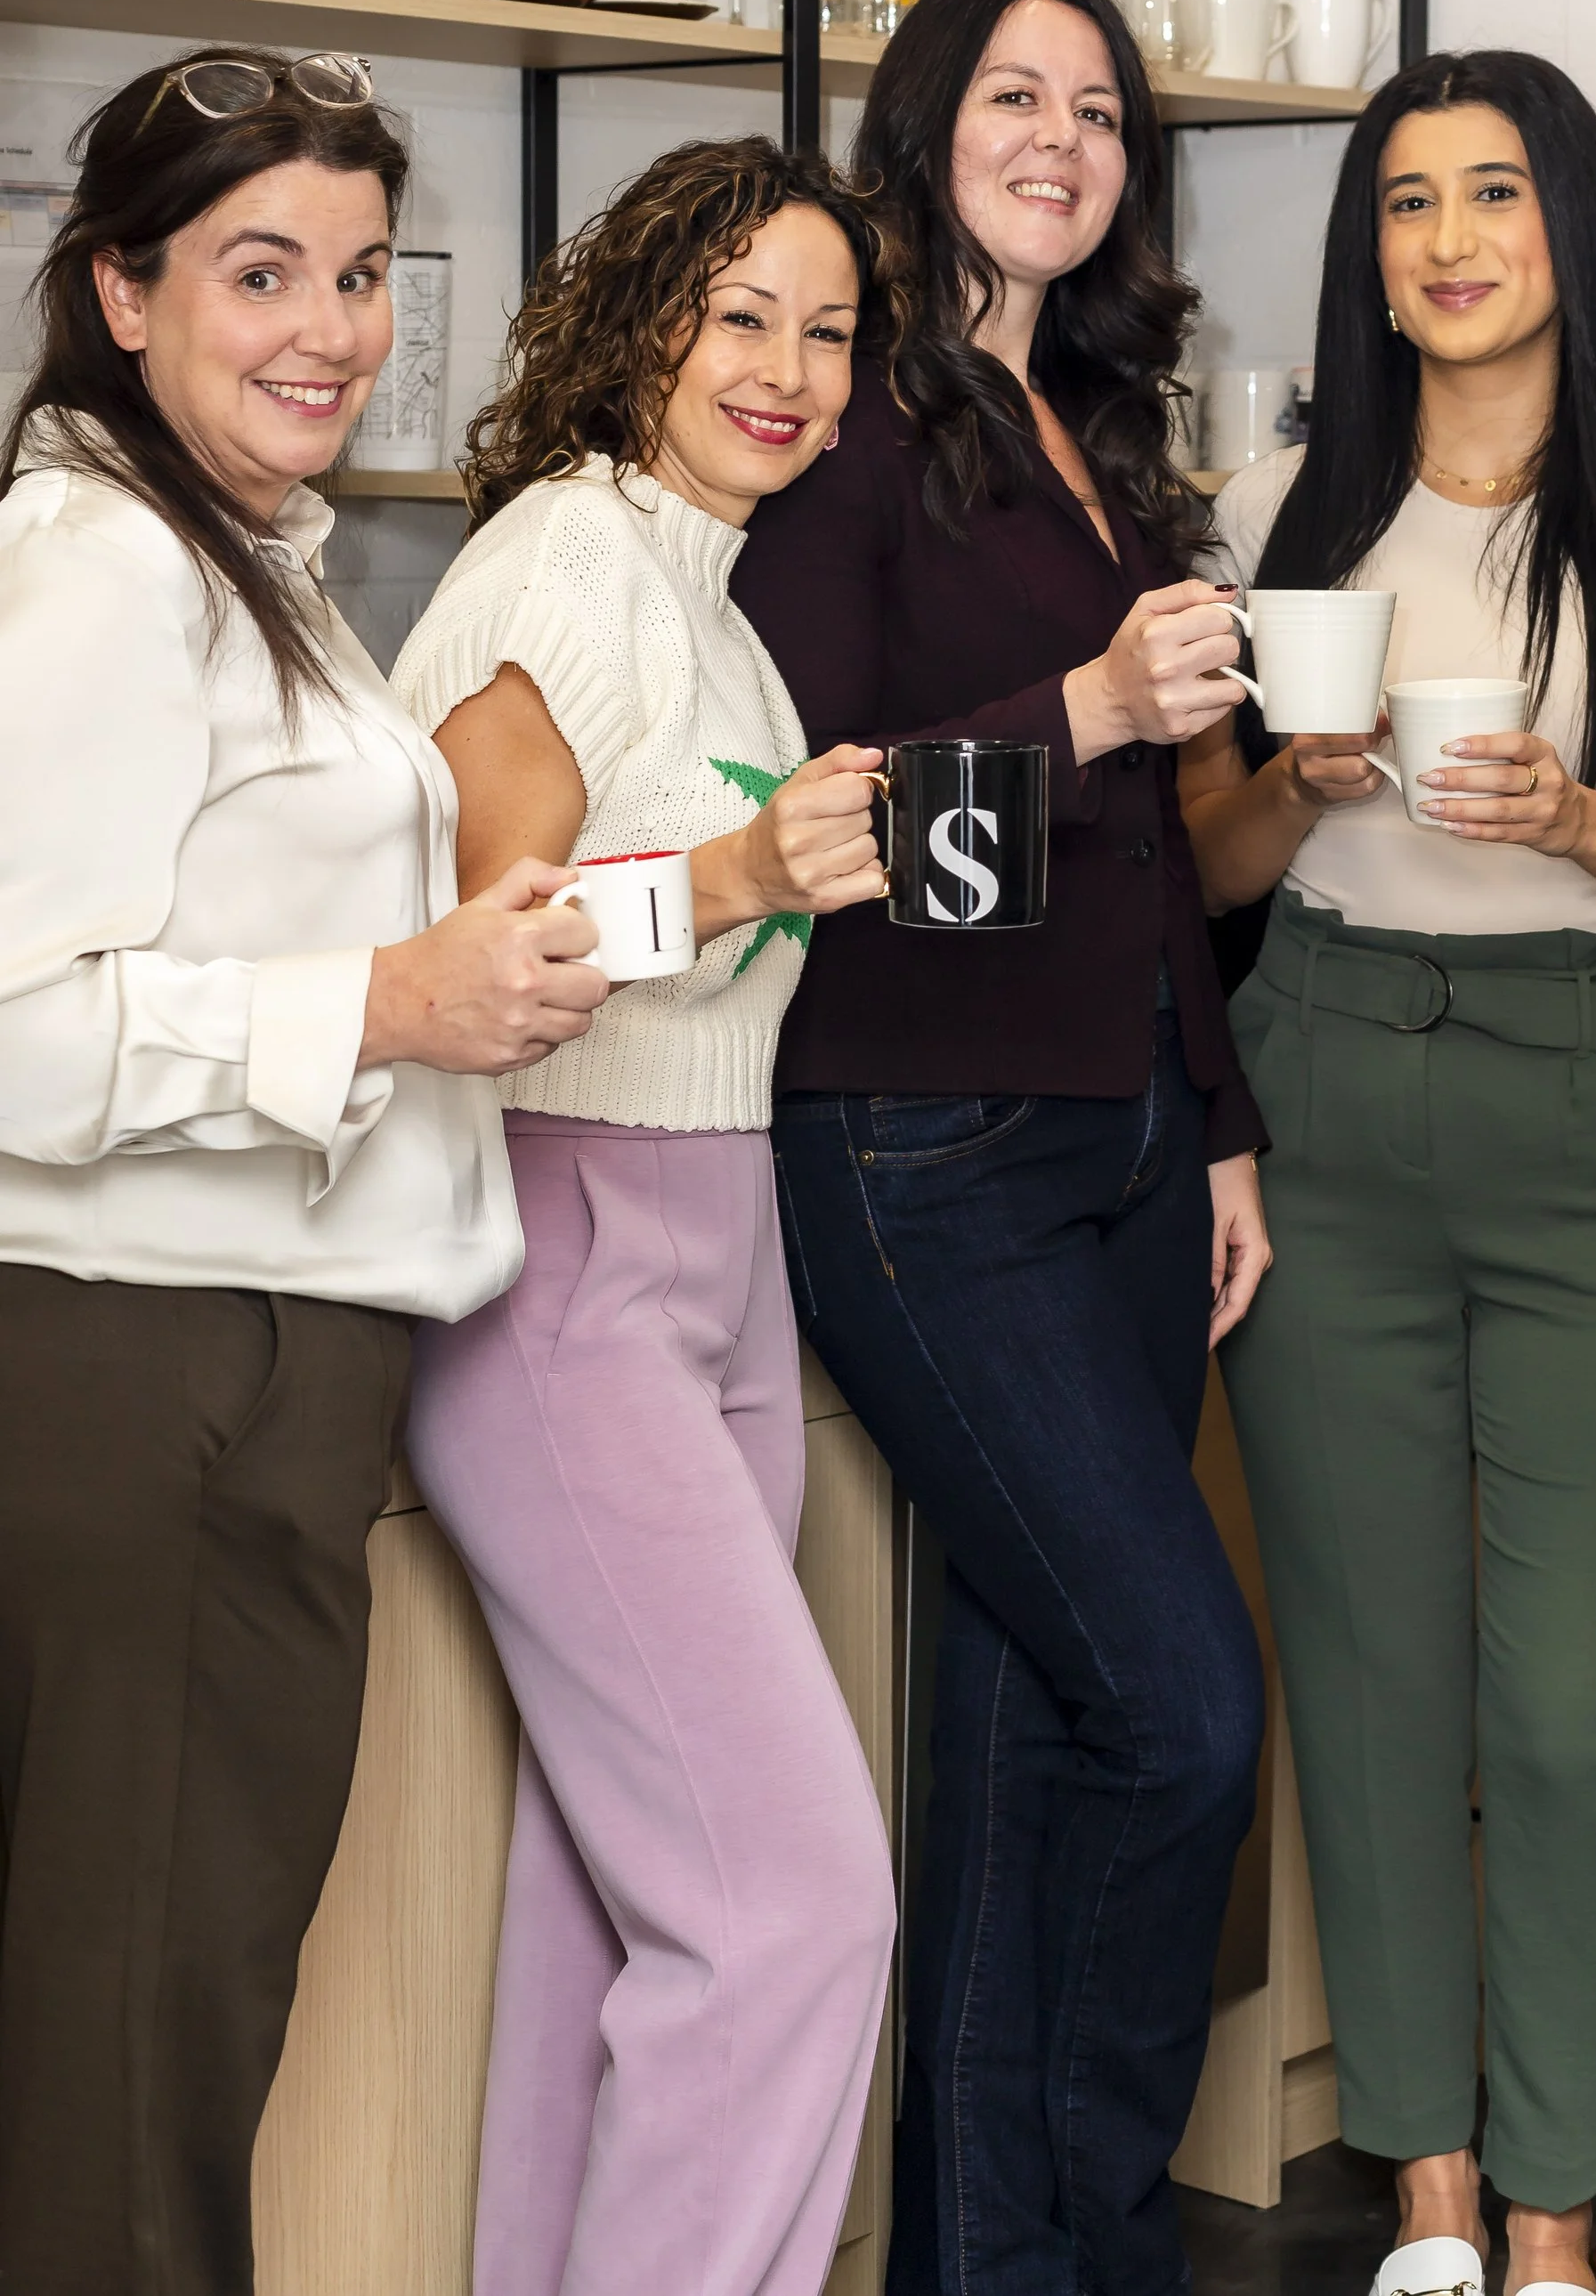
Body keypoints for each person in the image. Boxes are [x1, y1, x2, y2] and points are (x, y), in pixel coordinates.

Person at [1180, 50, 1596, 2296]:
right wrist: (1293, 777)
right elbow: (1208, 855)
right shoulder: (1277, 513)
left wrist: (1585, 831)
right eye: (1406, 204)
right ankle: (1430, 2199)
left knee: (1557, 1709)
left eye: (1495, 198)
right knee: (1363, 1680)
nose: (1446, 241)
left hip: (1593, 1120)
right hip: (1325, 1088)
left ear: (1572, 242)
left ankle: (1556, 2206)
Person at [0, 47, 604, 2296]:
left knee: (144, 2047)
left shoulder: (236, 555)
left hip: (241, 1375)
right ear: (120, 292)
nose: (329, 332)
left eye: (361, 275)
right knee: (136, 2073)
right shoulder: (96, 570)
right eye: (260, 273)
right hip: (148, 1379)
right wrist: (389, 1005)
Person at [729, 0, 1272, 2296]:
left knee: (1035, 1725)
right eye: (1014, 92)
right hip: (921, 1134)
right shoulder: (842, 424)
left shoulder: (1100, 422)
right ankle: (1086, 2234)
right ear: (926, 116)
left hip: (1132, 1134)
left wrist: (1218, 1117)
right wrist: (1082, 691)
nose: (1063, 133)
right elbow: (825, 818)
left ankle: (1000, 2256)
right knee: (1178, 1704)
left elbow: (1153, 843)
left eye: (1102, 105)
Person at [390, 139, 898, 2296]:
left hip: (717, 1253)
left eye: (829, 331)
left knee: (616, 1907)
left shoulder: (704, 590)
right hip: (569, 1259)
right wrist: (735, 878)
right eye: (742, 314)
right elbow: (476, 946)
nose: (785, 369)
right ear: (641, 317)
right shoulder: (562, 569)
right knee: (795, 1905)